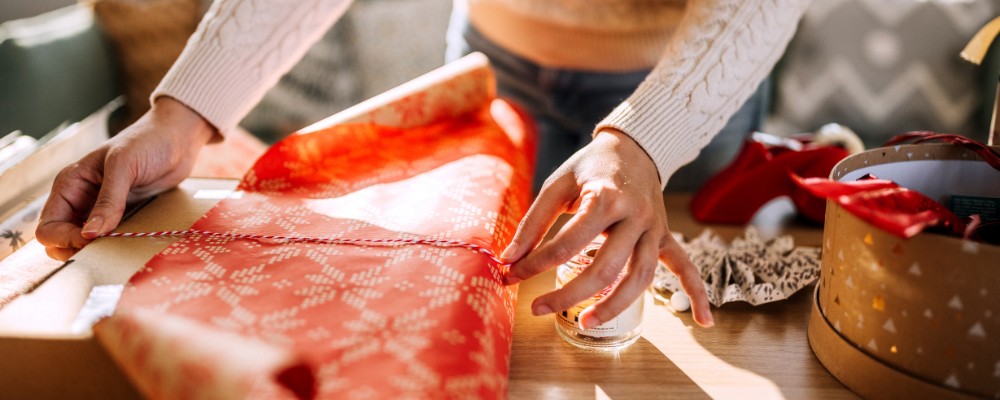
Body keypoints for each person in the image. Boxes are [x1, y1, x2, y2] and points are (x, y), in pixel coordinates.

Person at [37, 0, 813, 331]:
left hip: (673, 94)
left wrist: (650, 138)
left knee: (663, 330)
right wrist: (184, 111)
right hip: (491, 60)